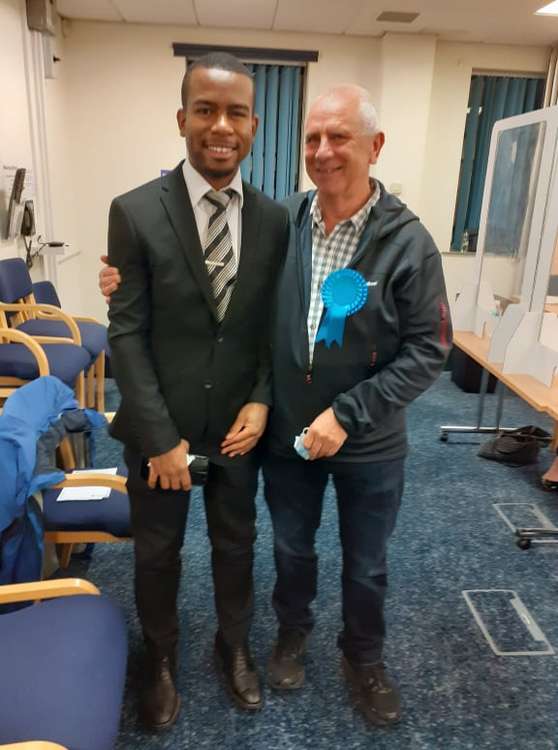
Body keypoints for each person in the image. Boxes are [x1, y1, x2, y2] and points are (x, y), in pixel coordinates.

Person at [101, 83, 452, 727]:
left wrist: (342, 413)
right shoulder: (287, 219)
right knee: (289, 549)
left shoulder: (405, 242)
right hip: (286, 434)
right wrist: (124, 277)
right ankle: (282, 636)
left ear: (375, 147)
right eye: (313, 138)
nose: (322, 151)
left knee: (366, 563)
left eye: (339, 137)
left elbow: (431, 349)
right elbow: (243, 311)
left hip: (361, 440)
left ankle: (362, 657)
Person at [105, 52, 288, 730]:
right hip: (162, 431)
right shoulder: (133, 212)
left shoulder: (275, 221)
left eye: (236, 112)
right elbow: (125, 333)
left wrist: (263, 398)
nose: (221, 126)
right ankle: (158, 660)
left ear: (253, 124)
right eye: (206, 110)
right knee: (157, 555)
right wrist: (159, 438)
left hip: (239, 427)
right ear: (182, 119)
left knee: (237, 545)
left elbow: (275, 327)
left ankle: (232, 644)